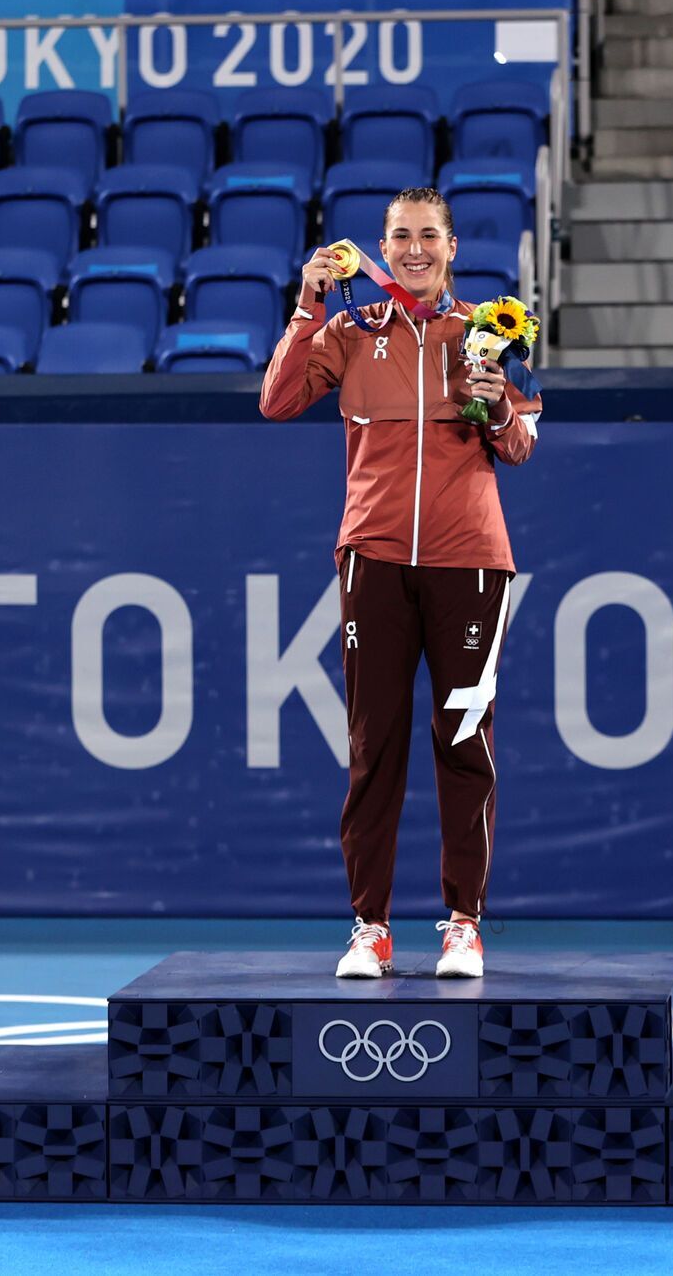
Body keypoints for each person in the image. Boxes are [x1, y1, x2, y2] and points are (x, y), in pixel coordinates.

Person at [260, 187, 543, 980]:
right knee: (372, 747)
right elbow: (277, 401)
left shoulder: (491, 332)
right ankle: (370, 929)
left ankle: (463, 925)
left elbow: (520, 447)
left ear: (452, 248)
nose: (414, 248)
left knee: (463, 744)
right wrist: (309, 301)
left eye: (428, 236)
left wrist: (494, 411)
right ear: (382, 248)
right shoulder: (351, 331)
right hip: (375, 561)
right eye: (399, 236)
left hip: (472, 566)